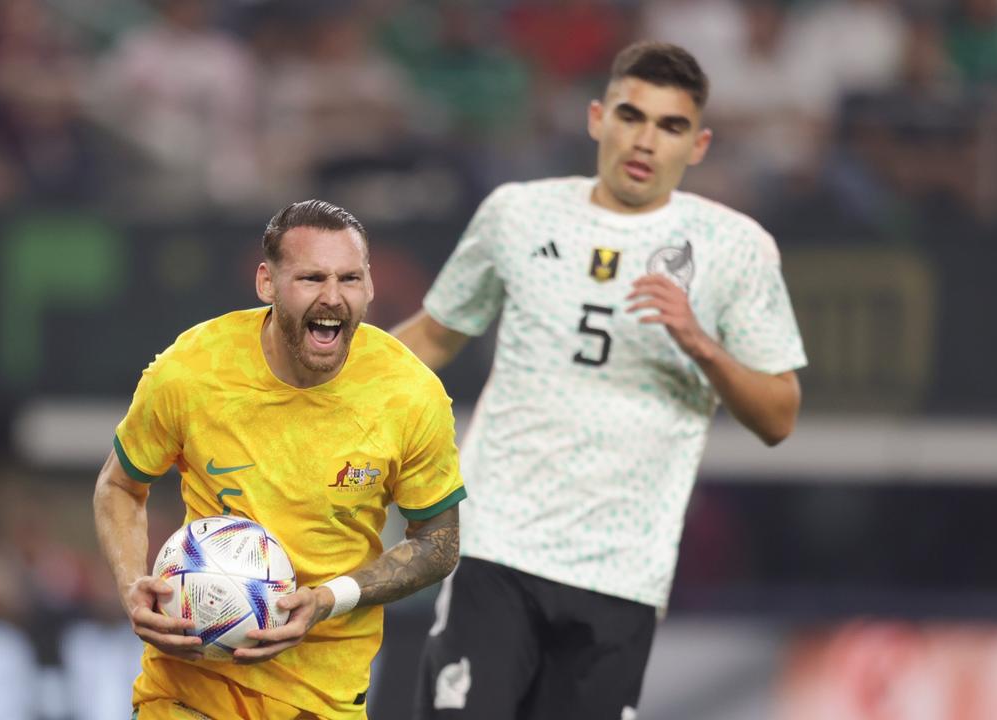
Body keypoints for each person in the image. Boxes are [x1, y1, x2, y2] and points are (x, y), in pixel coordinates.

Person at [393, 41, 808, 718]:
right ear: (596, 118)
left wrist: (700, 343)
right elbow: (437, 333)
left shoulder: (736, 248)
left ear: (698, 145)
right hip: (498, 545)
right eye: (631, 115)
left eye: (670, 126)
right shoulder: (517, 213)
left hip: (622, 571)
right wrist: (324, 381)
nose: (646, 140)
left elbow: (779, 414)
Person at [94, 200, 466, 720]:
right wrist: (133, 585)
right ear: (267, 283)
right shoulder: (190, 372)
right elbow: (119, 486)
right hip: (188, 688)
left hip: (322, 700)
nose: (333, 298)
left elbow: (439, 542)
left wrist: (326, 600)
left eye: (350, 278)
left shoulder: (410, 395)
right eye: (311, 278)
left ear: (371, 286)